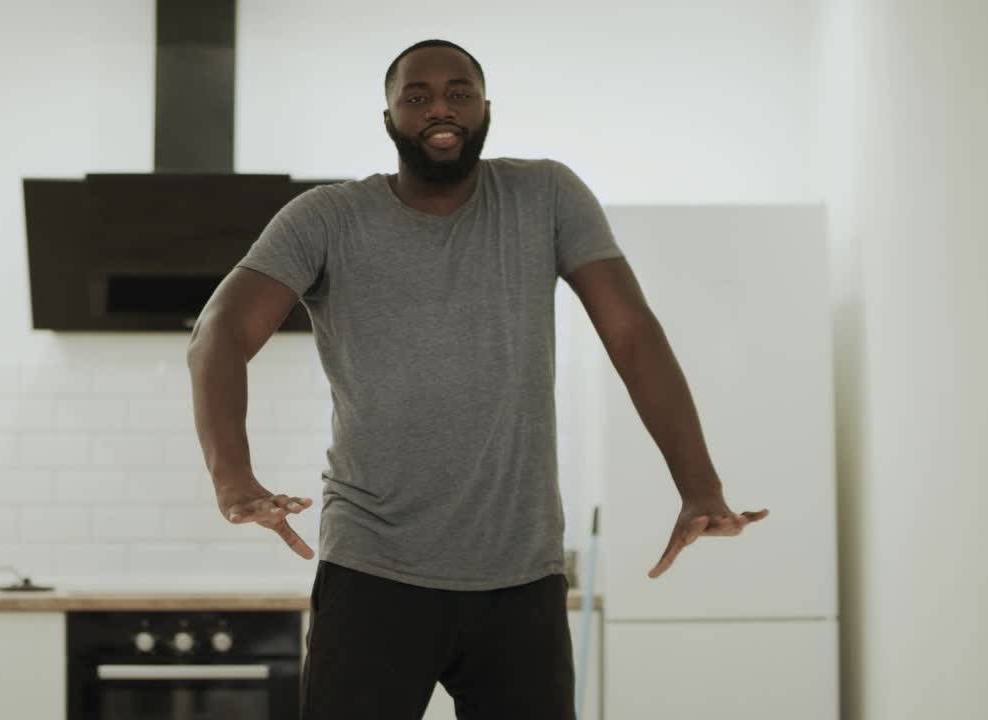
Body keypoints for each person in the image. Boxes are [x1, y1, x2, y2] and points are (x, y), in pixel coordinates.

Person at [187, 38, 769, 720]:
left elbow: (631, 332)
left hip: (520, 578)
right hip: (373, 569)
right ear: (388, 120)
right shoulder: (327, 218)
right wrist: (233, 478)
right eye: (417, 96)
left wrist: (698, 484)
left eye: (459, 93)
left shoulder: (546, 195)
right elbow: (217, 335)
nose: (442, 109)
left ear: (486, 109)